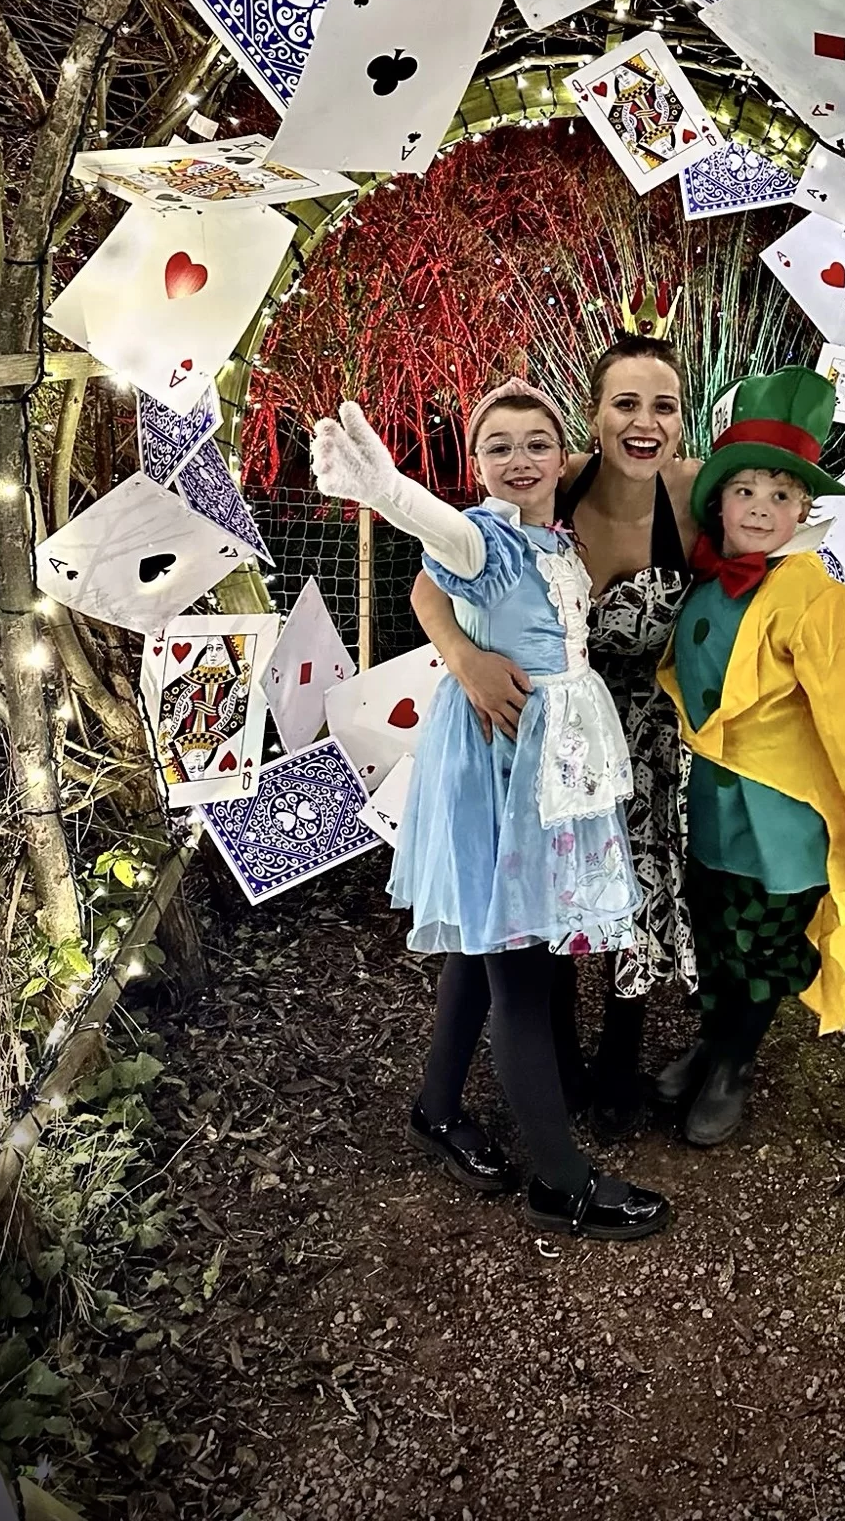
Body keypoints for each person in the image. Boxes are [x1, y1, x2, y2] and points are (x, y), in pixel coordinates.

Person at [312, 385, 671, 1241]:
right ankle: (561, 1182)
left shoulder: (553, 534)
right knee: (517, 964)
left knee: (485, 942)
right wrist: (386, 490)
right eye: (498, 446)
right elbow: (438, 528)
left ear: (564, 454)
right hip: (506, 770)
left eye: (537, 444)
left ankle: (436, 1109)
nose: (519, 460)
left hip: (542, 770)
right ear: (476, 465)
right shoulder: (490, 540)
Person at [413, 334, 699, 1138]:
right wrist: (465, 659)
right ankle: (555, 1065)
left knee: (632, 889)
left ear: (681, 420)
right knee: (545, 903)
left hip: (645, 729)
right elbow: (433, 584)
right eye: (625, 404)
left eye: (663, 406)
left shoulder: (692, 492)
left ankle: (619, 1060)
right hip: (534, 722)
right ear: (594, 418)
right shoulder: (552, 477)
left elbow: (768, 531)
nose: (644, 423)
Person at [654, 366, 845, 1147]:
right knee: (712, 931)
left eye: (781, 495)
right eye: (747, 492)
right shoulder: (703, 587)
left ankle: (734, 1061)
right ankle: (710, 1038)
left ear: (803, 510)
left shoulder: (820, 601)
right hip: (712, 806)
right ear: (719, 502)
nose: (763, 509)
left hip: (786, 823)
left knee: (763, 945)